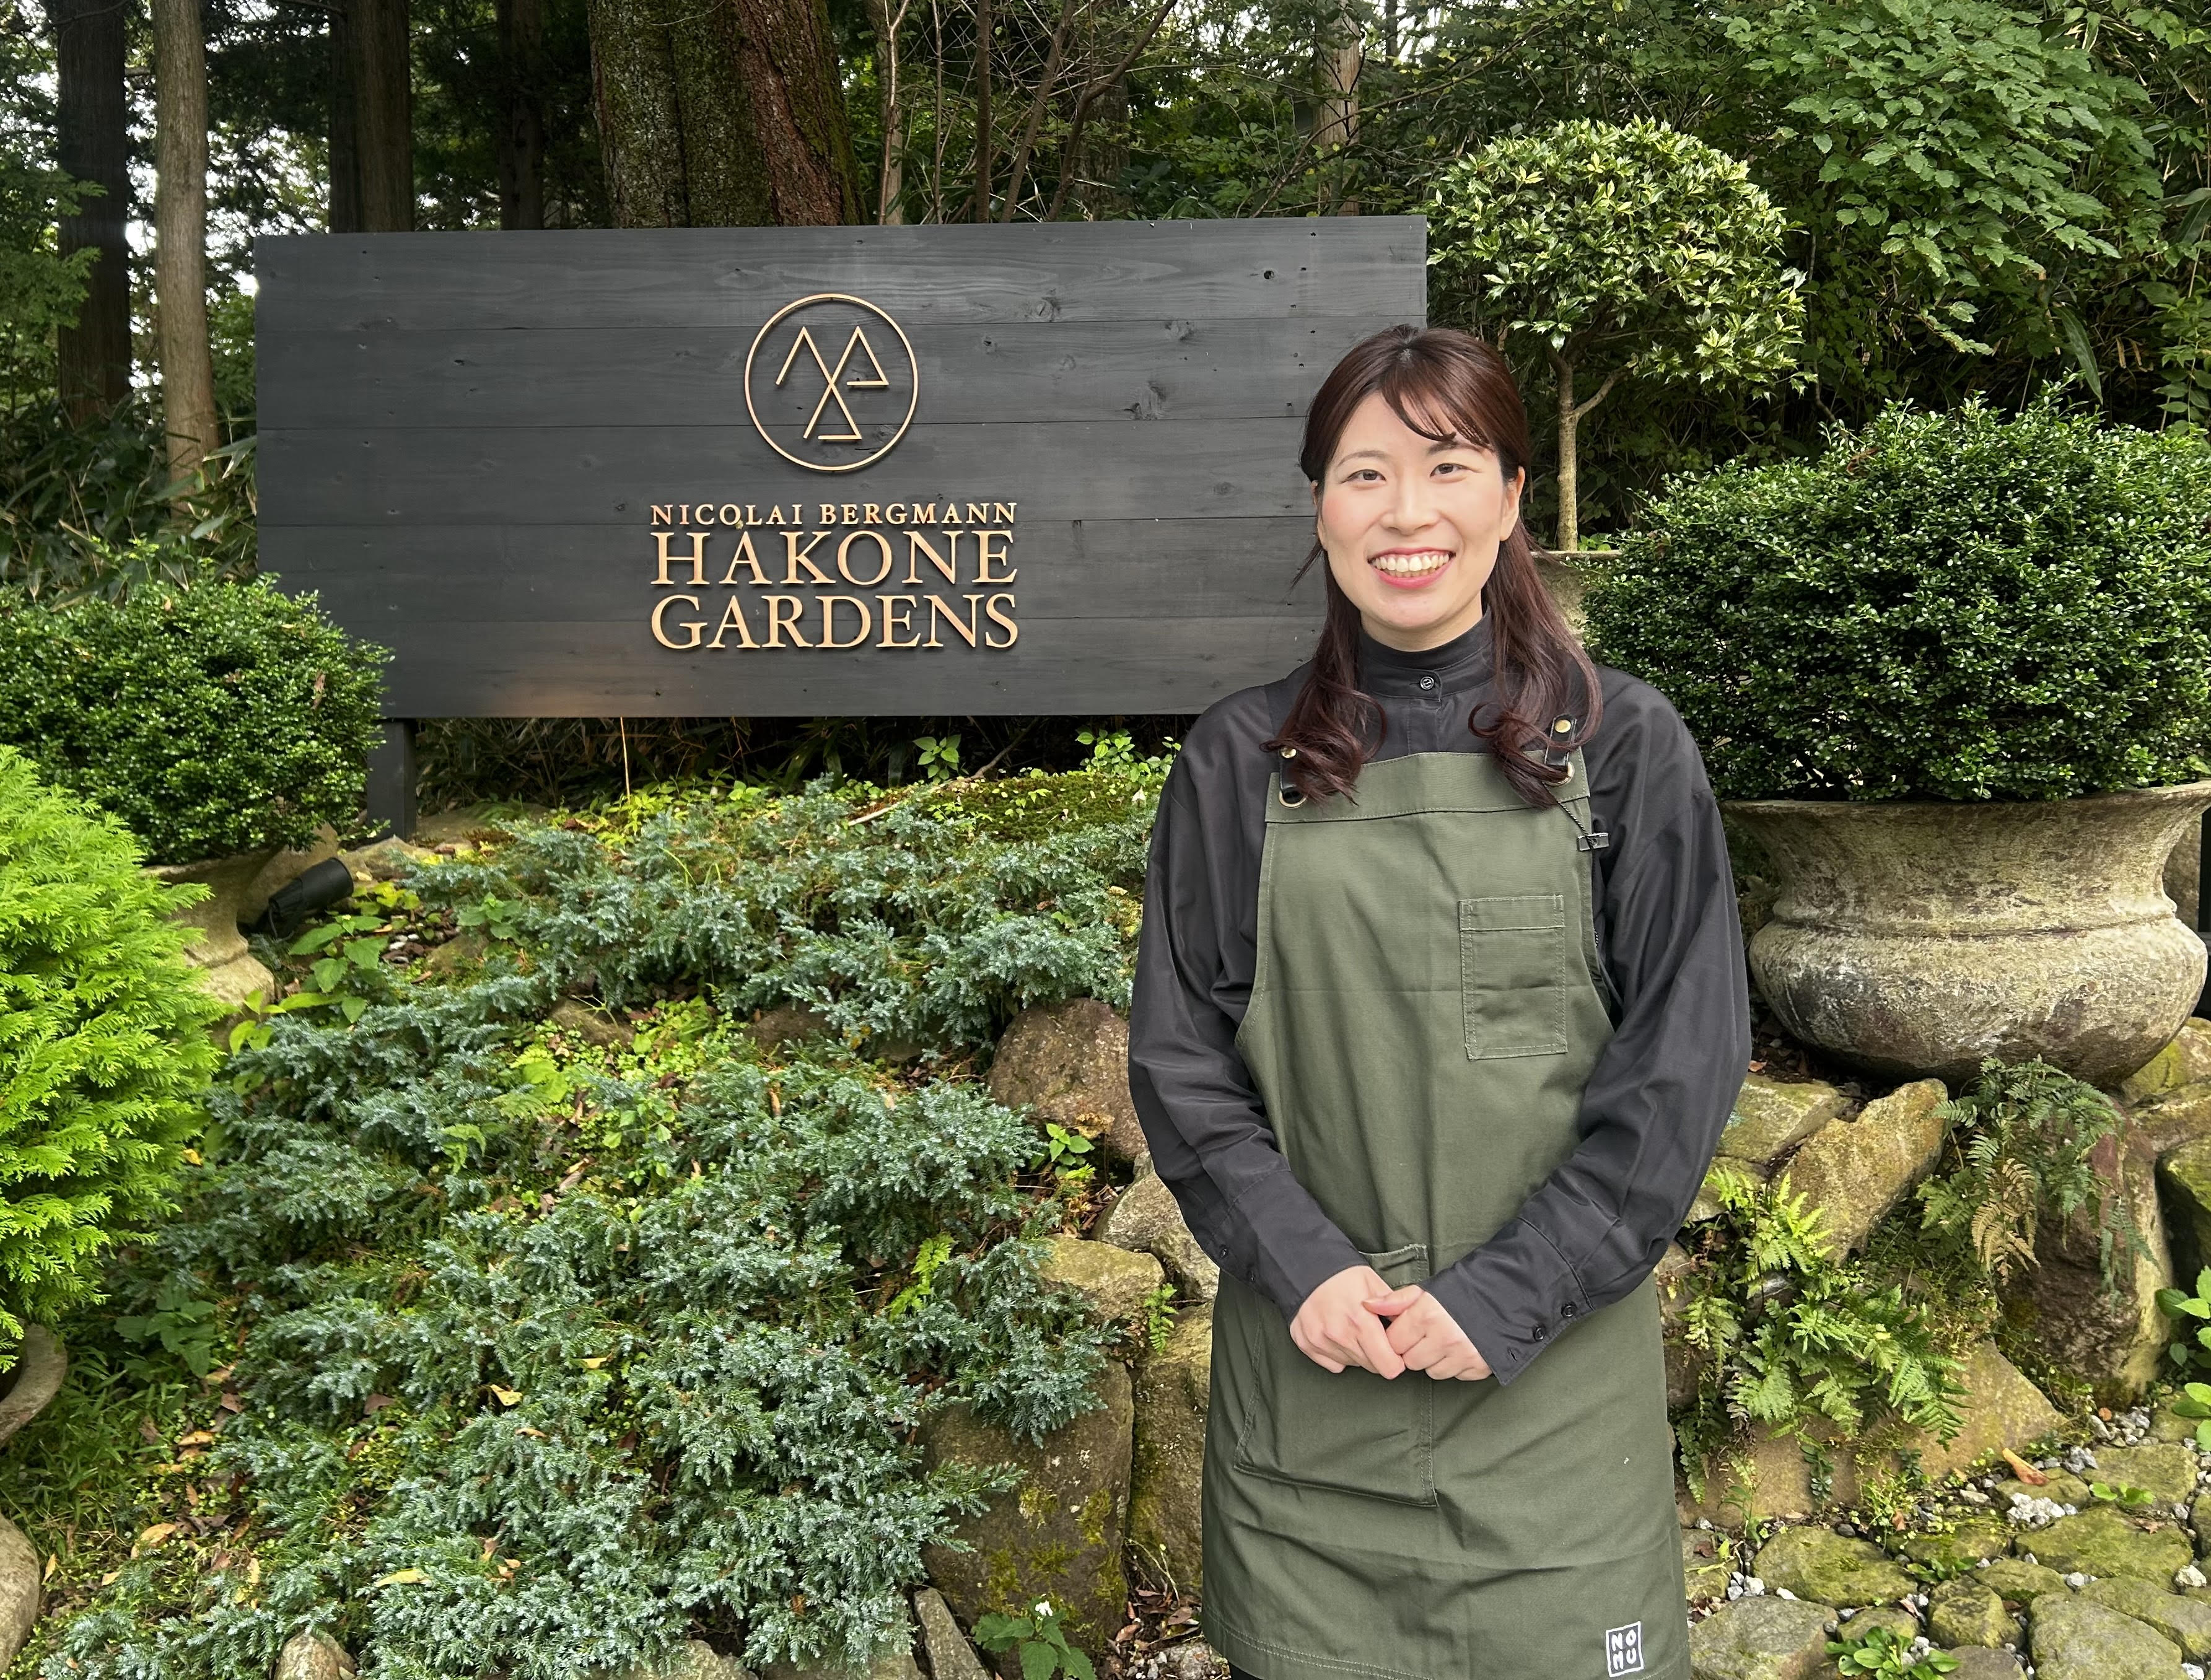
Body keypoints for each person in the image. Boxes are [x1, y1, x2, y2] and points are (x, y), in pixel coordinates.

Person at [1124, 324, 1749, 1680]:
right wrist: (1306, 1266)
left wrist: (1513, 1292)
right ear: (1320, 507)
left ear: (1513, 498)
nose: (1406, 513)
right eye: (1364, 474)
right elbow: (1181, 1062)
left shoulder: (1626, 747)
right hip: (1314, 1382)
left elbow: (1681, 1063)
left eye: (1448, 466)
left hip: (1553, 1399)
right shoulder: (1239, 760)